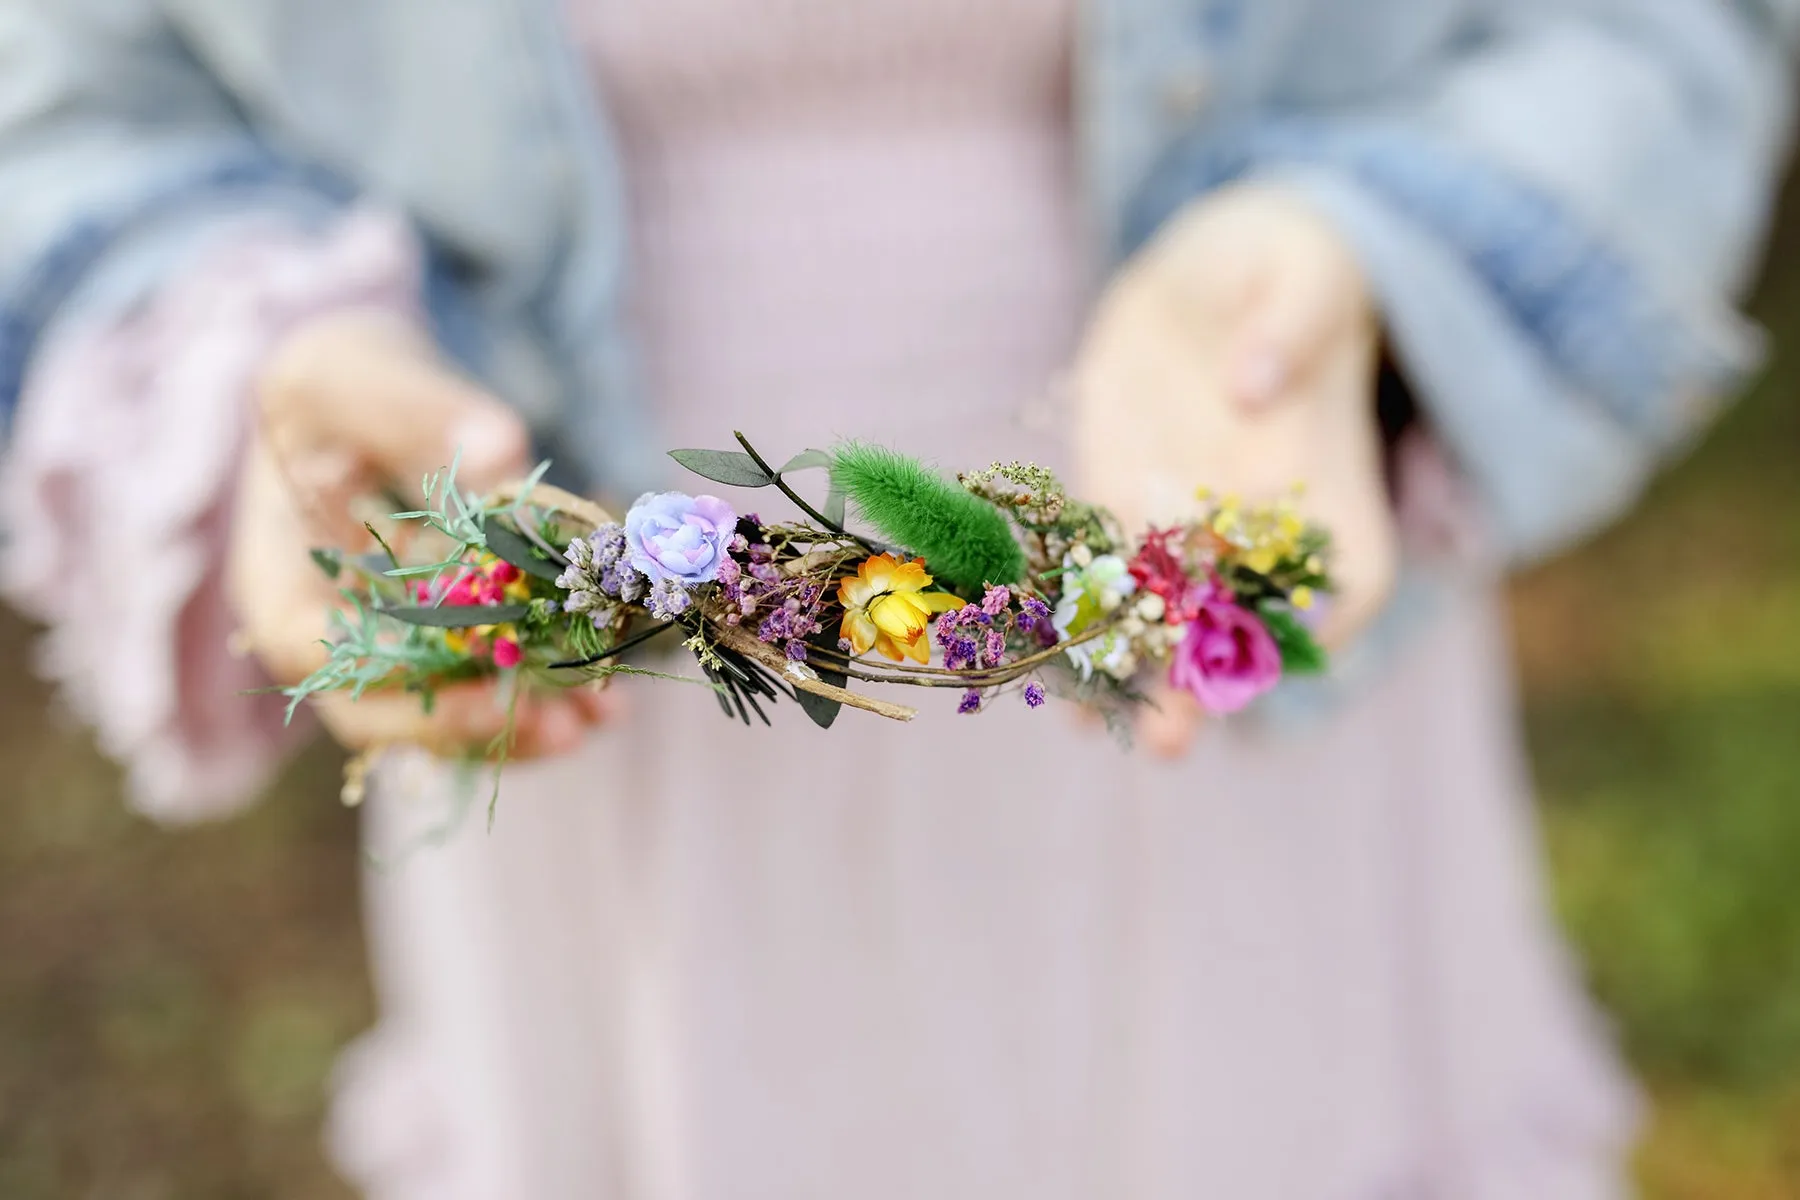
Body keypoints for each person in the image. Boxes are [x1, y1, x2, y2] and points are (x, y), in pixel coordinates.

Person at [1, 1, 1792, 1195]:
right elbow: (76, 110)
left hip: (1242, 744)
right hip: (622, 804)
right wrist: (261, 357)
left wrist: (1353, 259)